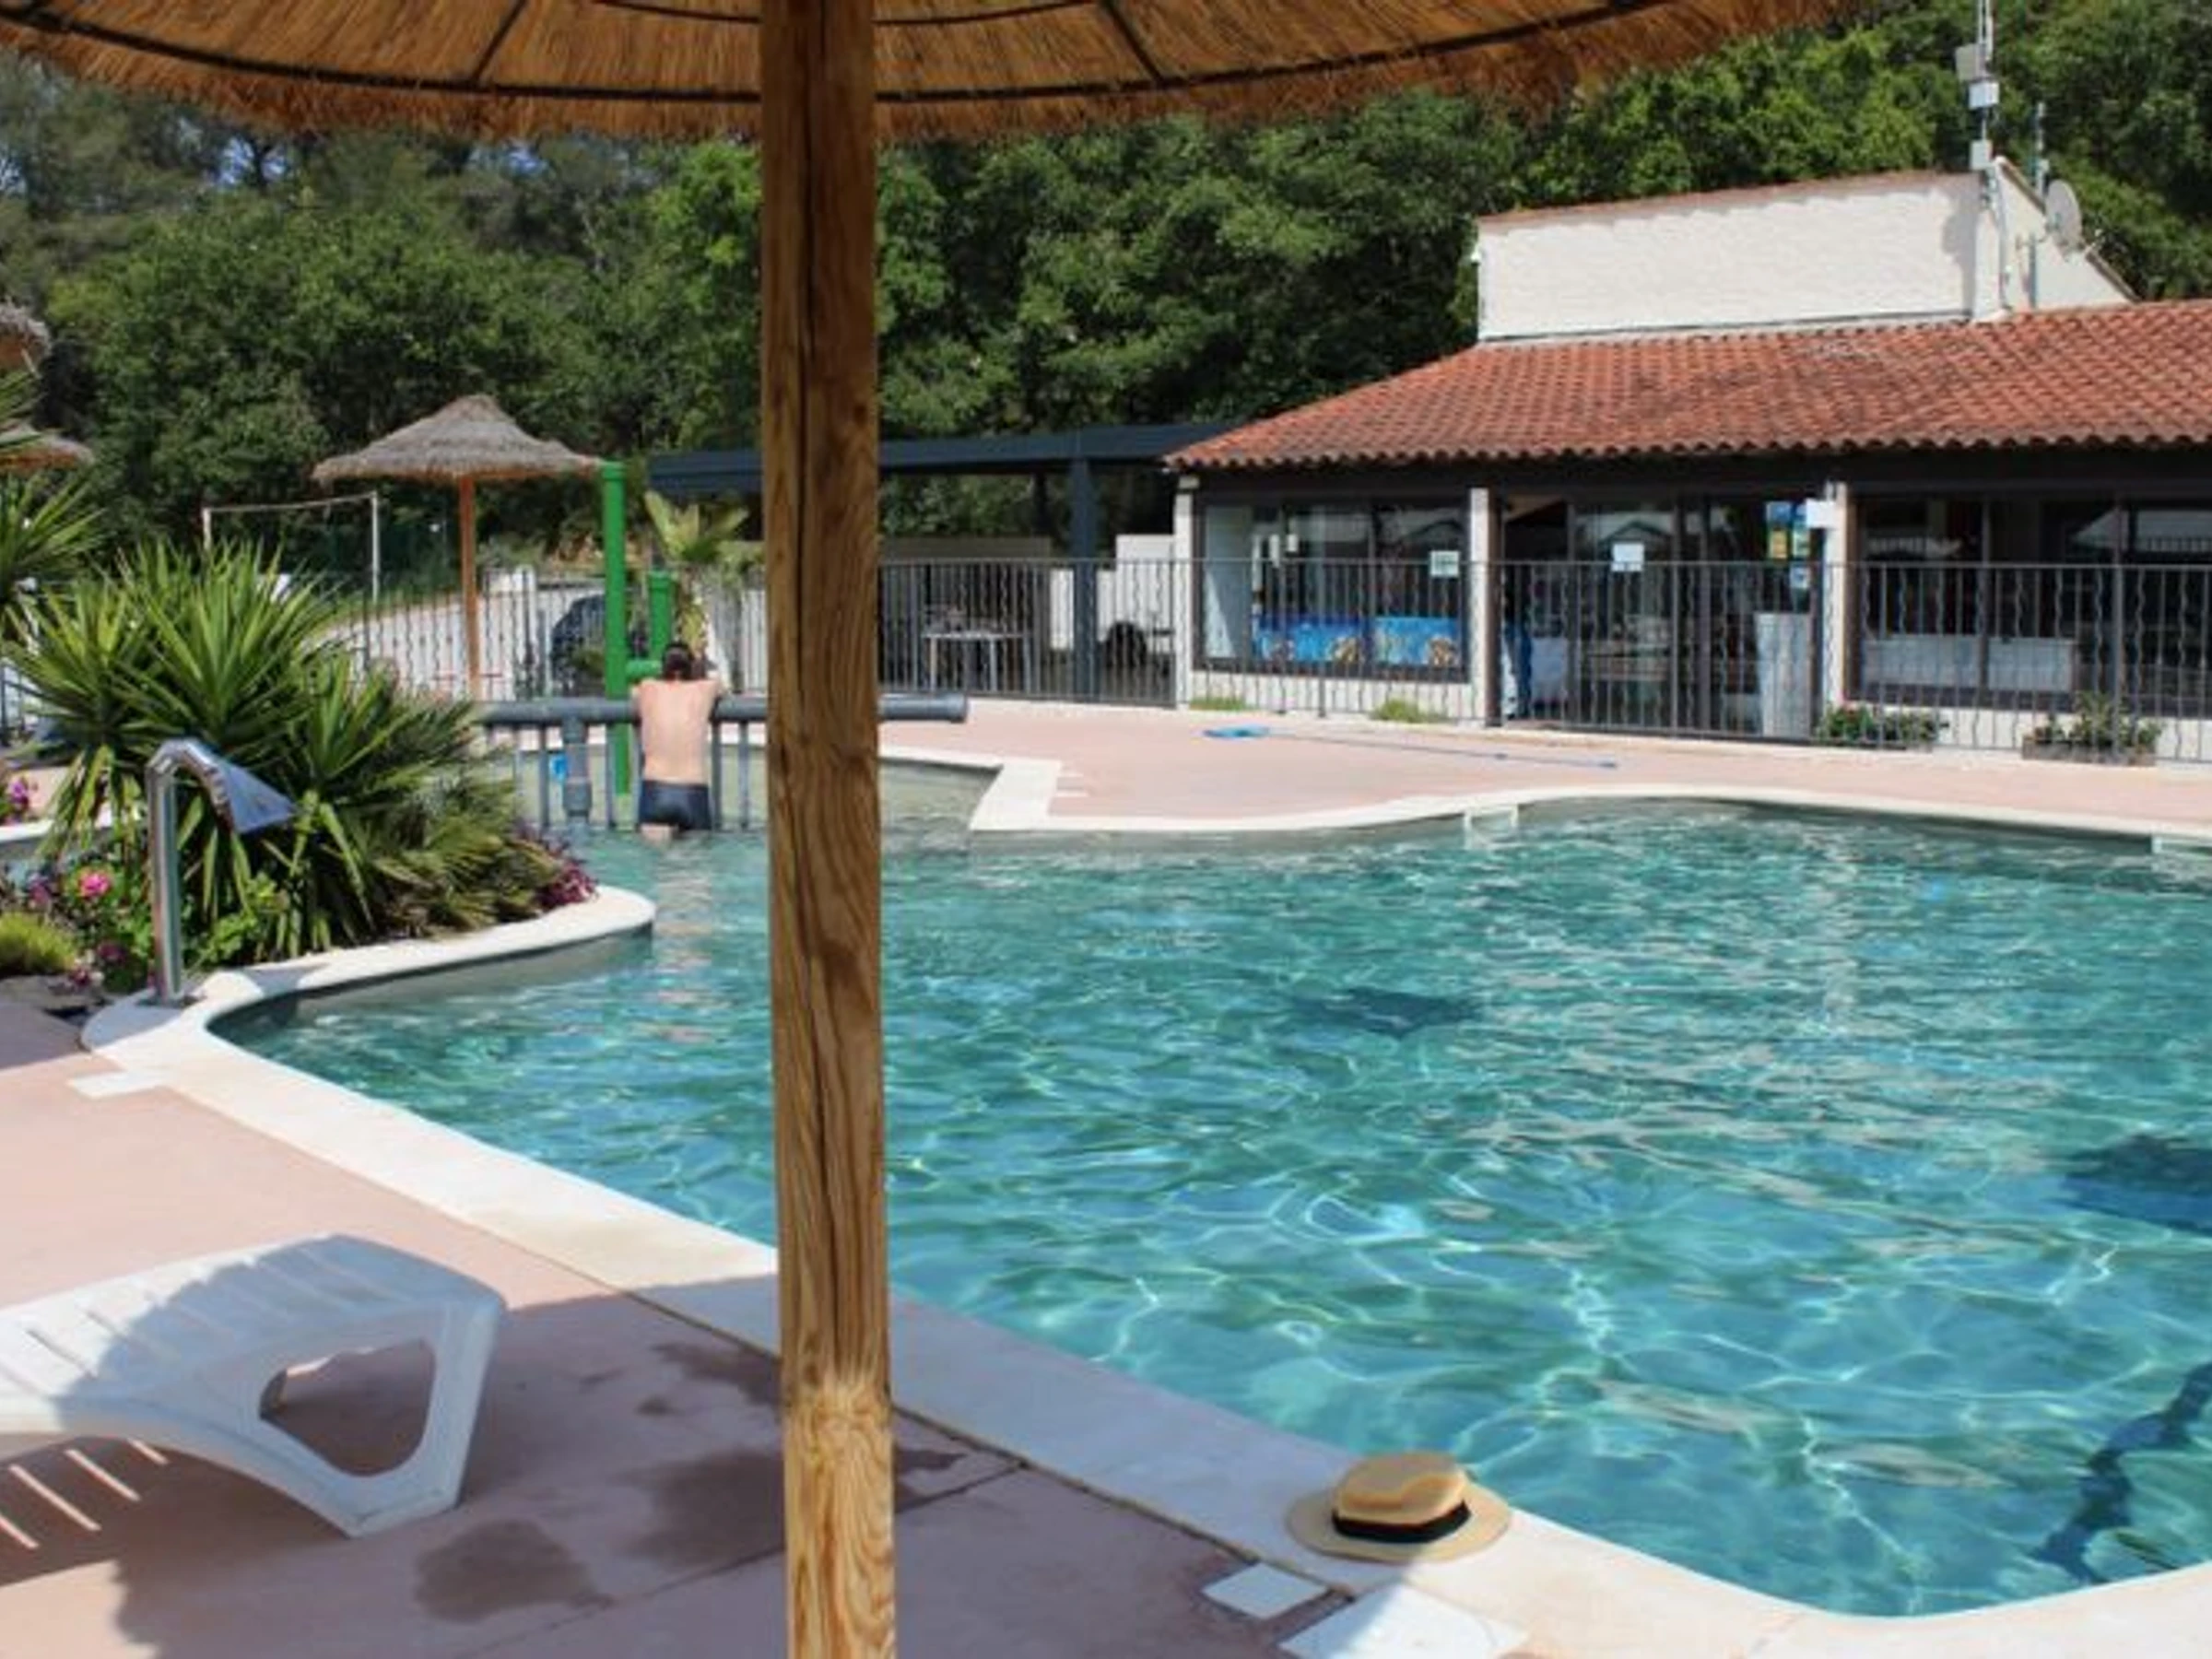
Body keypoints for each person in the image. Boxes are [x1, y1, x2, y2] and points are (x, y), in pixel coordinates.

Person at [631, 641, 722, 840]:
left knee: (654, 858)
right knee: (696, 857)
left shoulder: (647, 687)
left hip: (655, 789)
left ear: (663, 667)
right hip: (692, 789)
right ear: (691, 666)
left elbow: (634, 694)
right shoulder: (705, 689)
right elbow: (720, 686)